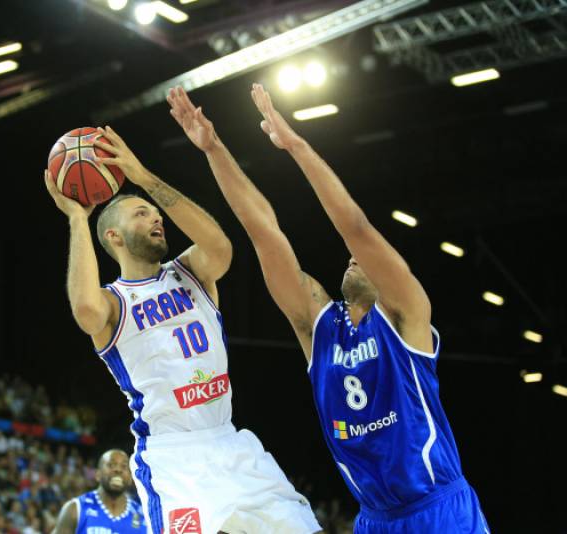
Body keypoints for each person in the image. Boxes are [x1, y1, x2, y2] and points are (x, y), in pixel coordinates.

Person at [166, 84, 490, 533]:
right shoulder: (319, 325)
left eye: (368, 259)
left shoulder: (405, 315)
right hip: (375, 519)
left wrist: (296, 146)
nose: (354, 258)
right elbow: (263, 230)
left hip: (438, 510)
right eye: (351, 257)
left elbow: (354, 227)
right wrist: (215, 148)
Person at [44, 126, 321, 534]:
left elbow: (221, 246)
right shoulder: (114, 302)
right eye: (142, 213)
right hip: (173, 457)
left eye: (155, 213)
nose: (157, 217)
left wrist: (144, 179)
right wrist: (76, 219)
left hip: (230, 442)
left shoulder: (190, 272)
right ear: (113, 236)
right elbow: (85, 311)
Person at [53, 449, 145, 534]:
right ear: (98, 475)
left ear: (130, 478)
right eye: (111, 465)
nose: (118, 470)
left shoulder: (144, 517)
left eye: (124, 466)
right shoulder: (75, 509)